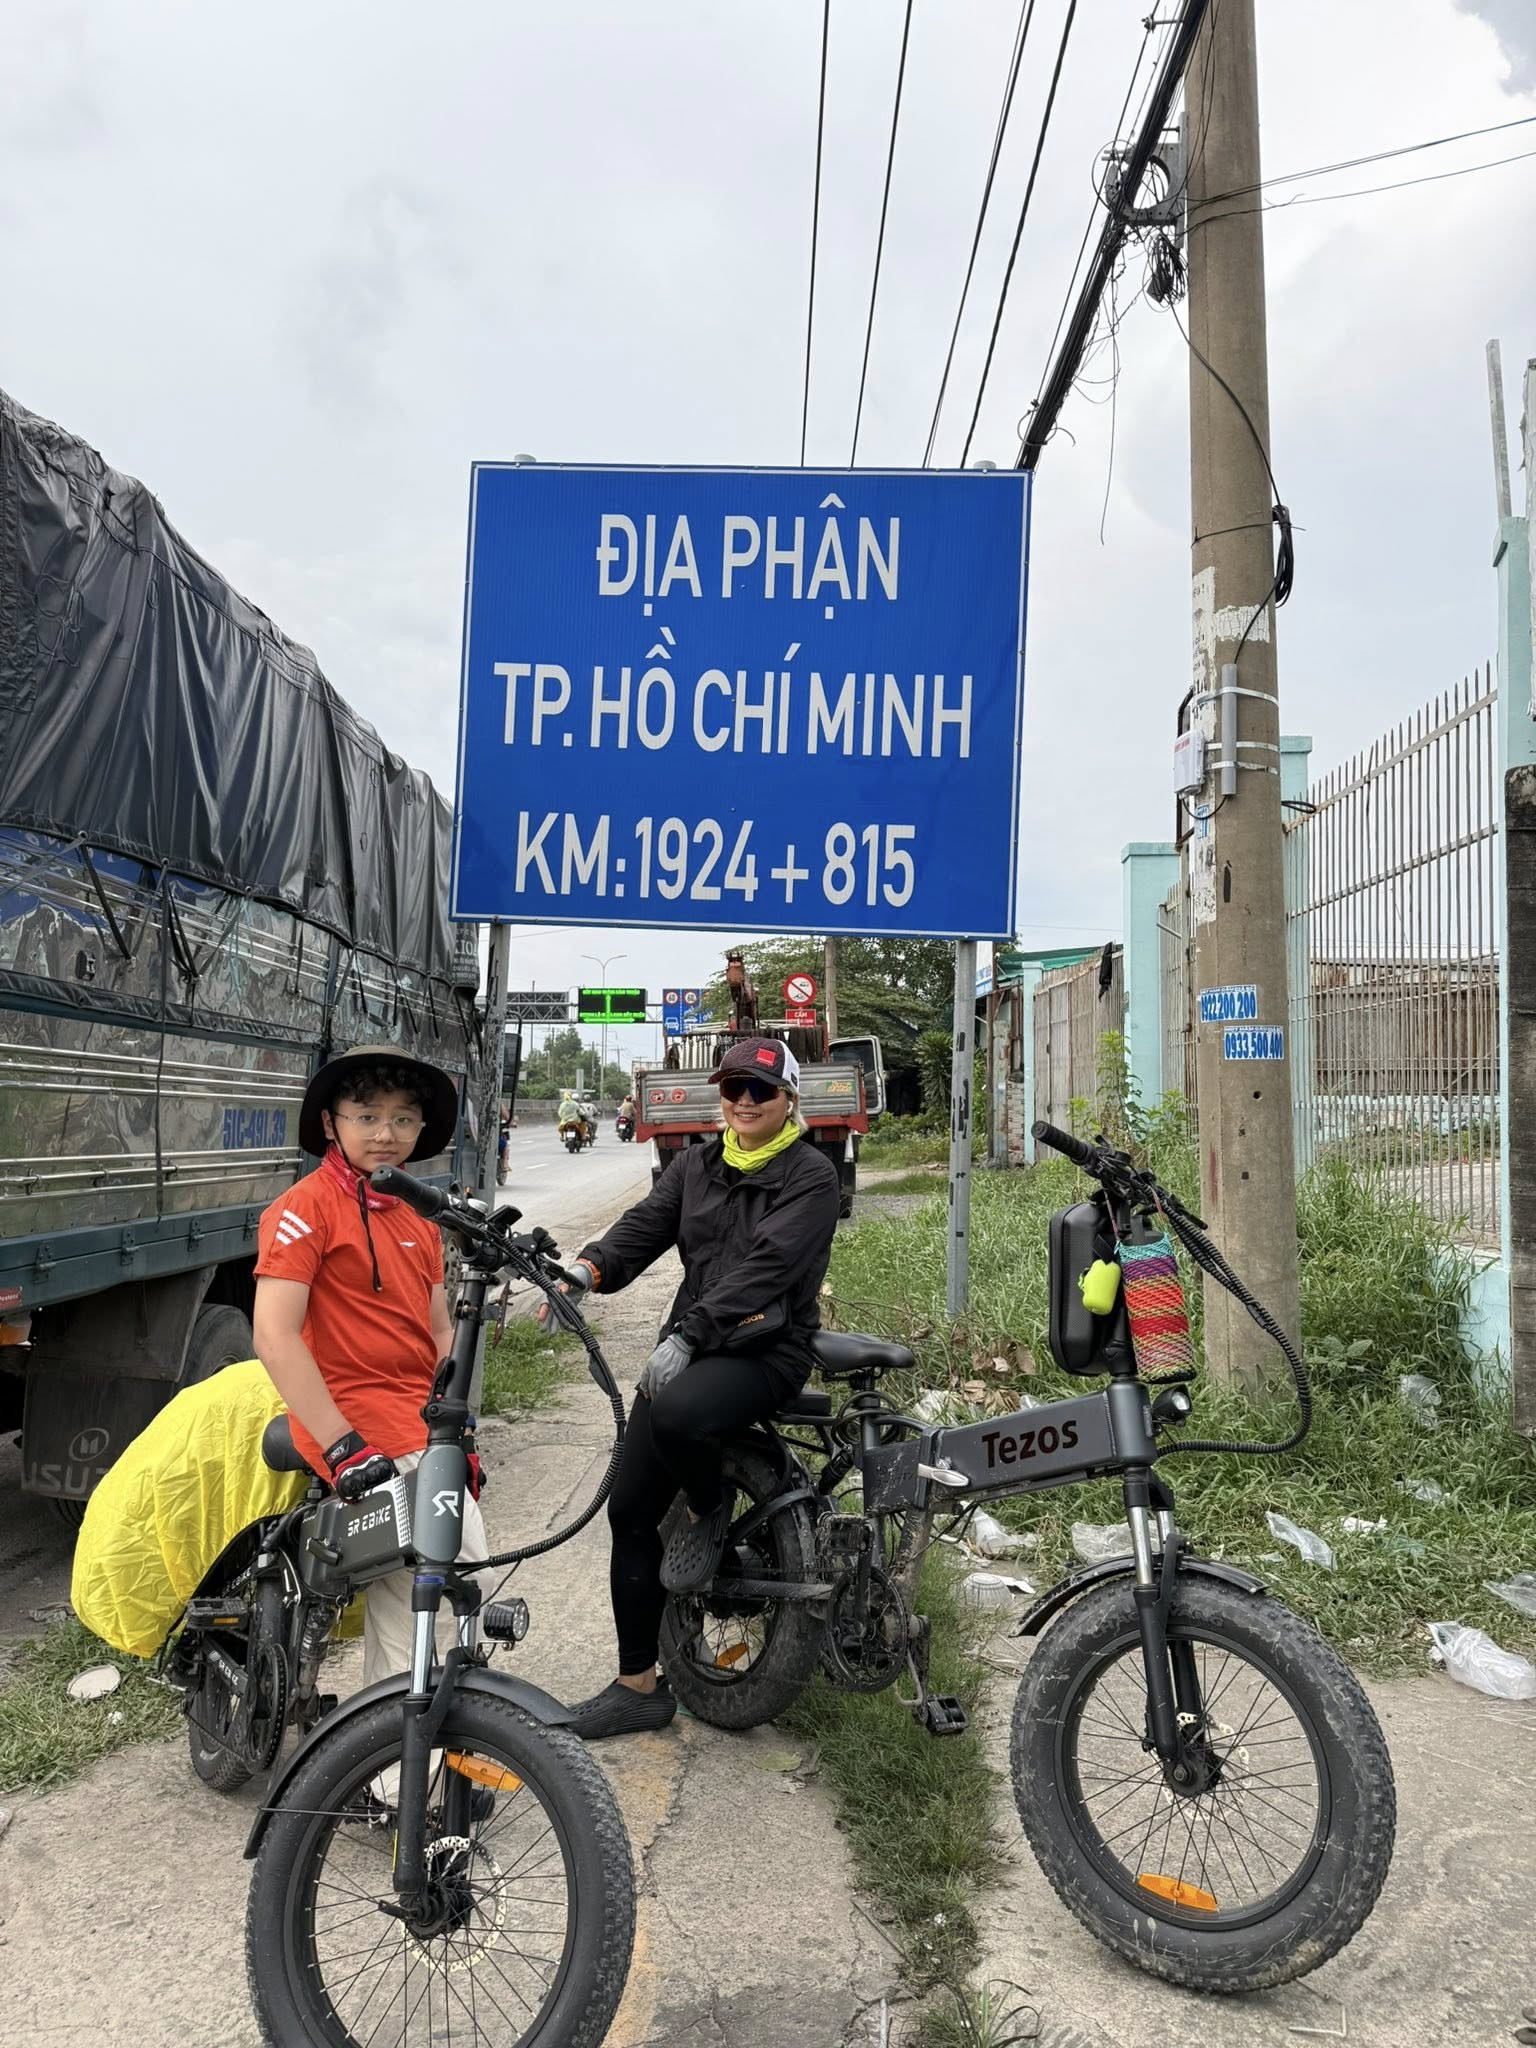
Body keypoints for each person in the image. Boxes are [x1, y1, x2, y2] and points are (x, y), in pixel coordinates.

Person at [556, 1036, 840, 1740]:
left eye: (761, 1091)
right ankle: (639, 1688)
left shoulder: (811, 1174)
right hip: (695, 1345)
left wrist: (690, 1334)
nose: (744, 1100)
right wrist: (586, 1271)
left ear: (789, 1099)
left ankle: (710, 1507)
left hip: (766, 1351)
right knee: (629, 1511)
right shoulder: (696, 1164)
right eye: (734, 1088)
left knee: (679, 1409)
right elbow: (645, 1227)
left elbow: (770, 1266)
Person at [251, 1045, 488, 1688]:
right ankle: (392, 1764)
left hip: (417, 1418)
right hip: (351, 1417)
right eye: (367, 1115)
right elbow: (273, 1336)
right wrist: (341, 1444)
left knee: (451, 1586)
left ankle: (422, 1740)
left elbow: (439, 1329)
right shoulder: (305, 1208)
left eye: (404, 1119)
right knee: (436, 1580)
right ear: (331, 1122)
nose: (386, 1134)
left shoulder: (416, 1209)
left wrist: (457, 1428)